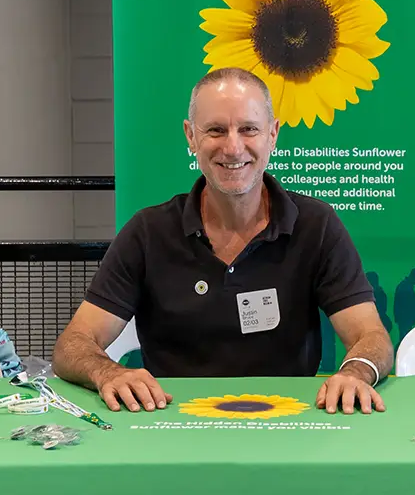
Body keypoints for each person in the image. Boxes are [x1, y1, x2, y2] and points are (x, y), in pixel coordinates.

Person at [51, 67, 394, 415]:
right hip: (169, 425)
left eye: (249, 129)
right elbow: (73, 344)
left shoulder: (316, 225)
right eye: (215, 130)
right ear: (190, 136)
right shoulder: (148, 232)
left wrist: (356, 373)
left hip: (291, 425)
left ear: (272, 135)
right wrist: (108, 372)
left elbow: (372, 337)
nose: (233, 147)